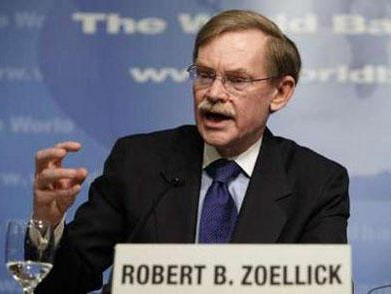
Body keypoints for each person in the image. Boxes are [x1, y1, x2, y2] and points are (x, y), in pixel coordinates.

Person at [33, 9, 350, 293]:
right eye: (204, 74)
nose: (213, 93)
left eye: (236, 80)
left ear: (280, 92)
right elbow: (62, 284)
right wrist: (47, 223)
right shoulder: (138, 161)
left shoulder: (317, 182)